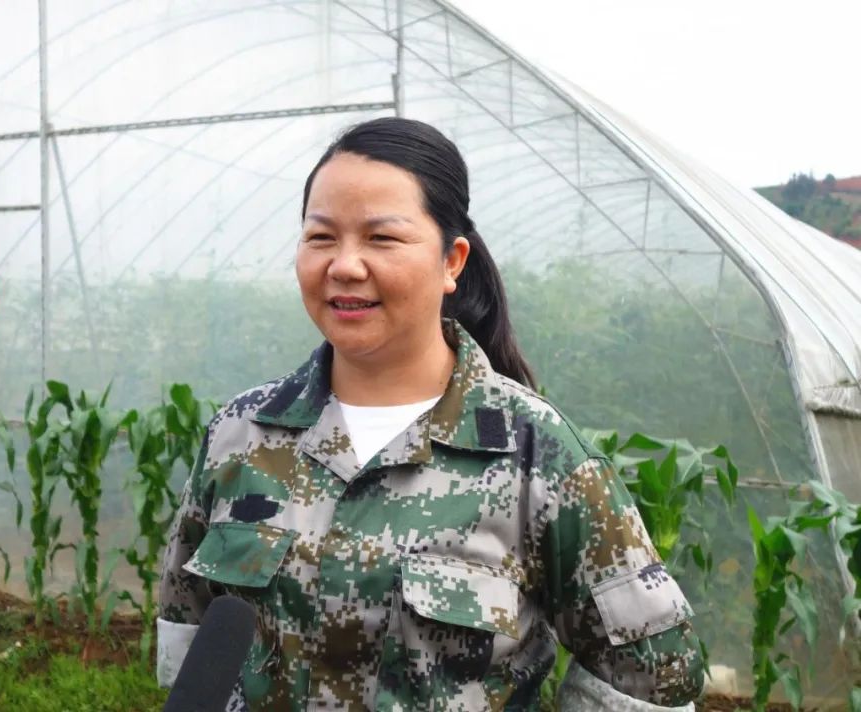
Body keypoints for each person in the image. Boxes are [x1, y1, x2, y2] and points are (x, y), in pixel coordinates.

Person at [157, 117, 703, 711]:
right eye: (320, 237)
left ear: (452, 261)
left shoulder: (537, 457)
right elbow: (190, 637)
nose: (344, 265)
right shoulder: (241, 434)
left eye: (381, 239)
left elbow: (654, 676)